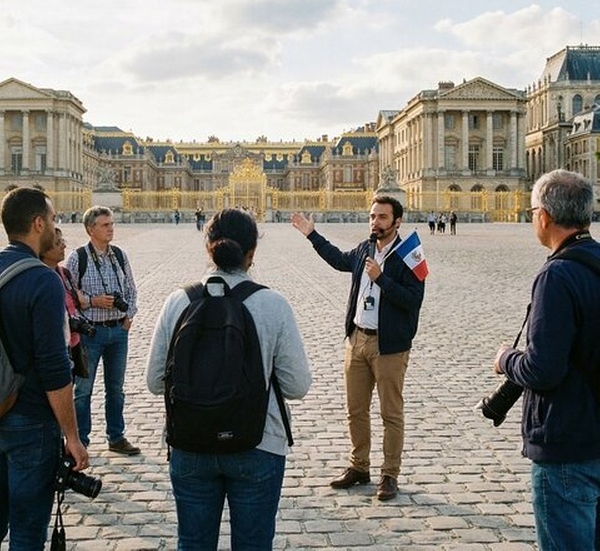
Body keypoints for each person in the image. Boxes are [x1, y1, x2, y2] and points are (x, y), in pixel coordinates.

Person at [146, 208, 312, 549]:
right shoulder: (273, 304)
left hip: (190, 440)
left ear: (208, 247)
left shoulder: (178, 301)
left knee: (193, 543)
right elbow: (297, 386)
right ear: (252, 252)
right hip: (258, 442)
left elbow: (153, 381)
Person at [292, 195, 425, 501]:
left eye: (382, 217)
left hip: (389, 345)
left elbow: (413, 300)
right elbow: (339, 260)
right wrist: (312, 235)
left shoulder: (411, 254)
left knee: (391, 413)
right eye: (372, 216)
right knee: (355, 410)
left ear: (397, 222)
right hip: (357, 339)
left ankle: (389, 474)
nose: (375, 222)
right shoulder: (365, 248)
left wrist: (381, 279)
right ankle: (359, 467)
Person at [493, 169, 600, 550]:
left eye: (533, 211)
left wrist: (506, 359)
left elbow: (543, 369)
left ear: (545, 217)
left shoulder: (557, 275)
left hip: (568, 443)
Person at [0, 187, 88, 549]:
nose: (55, 225)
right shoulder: (43, 279)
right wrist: (72, 436)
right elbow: (54, 368)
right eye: (53, 219)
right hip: (30, 420)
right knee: (27, 530)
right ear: (38, 224)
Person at [65, 206, 140, 455]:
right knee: (83, 390)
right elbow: (69, 296)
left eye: (111, 224)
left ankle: (116, 437)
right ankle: (81, 441)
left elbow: (131, 289)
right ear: (90, 229)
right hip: (91, 334)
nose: (111, 228)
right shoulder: (78, 258)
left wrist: (128, 318)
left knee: (116, 389)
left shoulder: (119, 255)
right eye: (105, 225)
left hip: (118, 332)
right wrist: (93, 301)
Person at [41, 227, 91, 378]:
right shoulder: (39, 279)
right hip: (54, 347)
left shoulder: (65, 274)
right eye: (58, 243)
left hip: (73, 344)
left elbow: (80, 302)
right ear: (43, 249)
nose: (64, 245)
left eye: (63, 241)